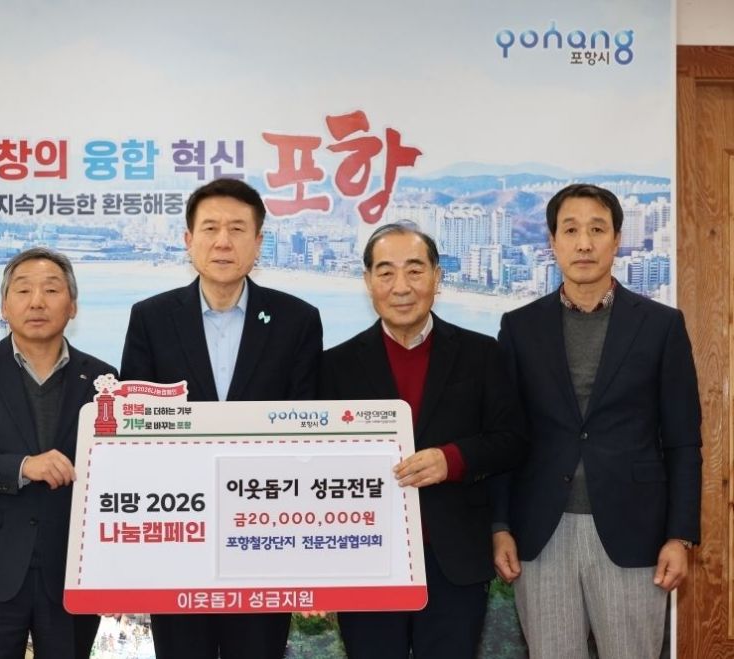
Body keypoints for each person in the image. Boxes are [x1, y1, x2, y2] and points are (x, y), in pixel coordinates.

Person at [492, 183, 702, 658]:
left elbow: (683, 441)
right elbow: (507, 437)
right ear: (552, 242)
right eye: (570, 230)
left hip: (634, 530)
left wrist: (680, 535)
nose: (583, 243)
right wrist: (500, 525)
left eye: (597, 229)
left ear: (617, 239)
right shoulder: (519, 327)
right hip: (542, 531)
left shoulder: (661, 325)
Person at [120, 177, 323, 659]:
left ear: (258, 241)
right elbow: (133, 431)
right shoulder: (151, 318)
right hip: (178, 533)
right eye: (210, 228)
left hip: (265, 534)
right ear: (188, 240)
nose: (223, 242)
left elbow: (310, 428)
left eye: (237, 229)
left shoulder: (297, 320)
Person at [318, 223, 526, 658]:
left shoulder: (481, 353)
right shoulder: (334, 366)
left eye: (415, 270)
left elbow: (512, 439)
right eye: (386, 272)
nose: (401, 287)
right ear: (368, 281)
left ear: (437, 277)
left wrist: (453, 460)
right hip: (367, 557)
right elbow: (317, 462)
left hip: (454, 558)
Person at [0, 247, 116, 659]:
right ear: (4, 306)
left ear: (72, 306)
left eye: (51, 290)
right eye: (23, 290)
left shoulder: (103, 379)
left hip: (72, 569)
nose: (37, 302)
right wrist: (22, 467)